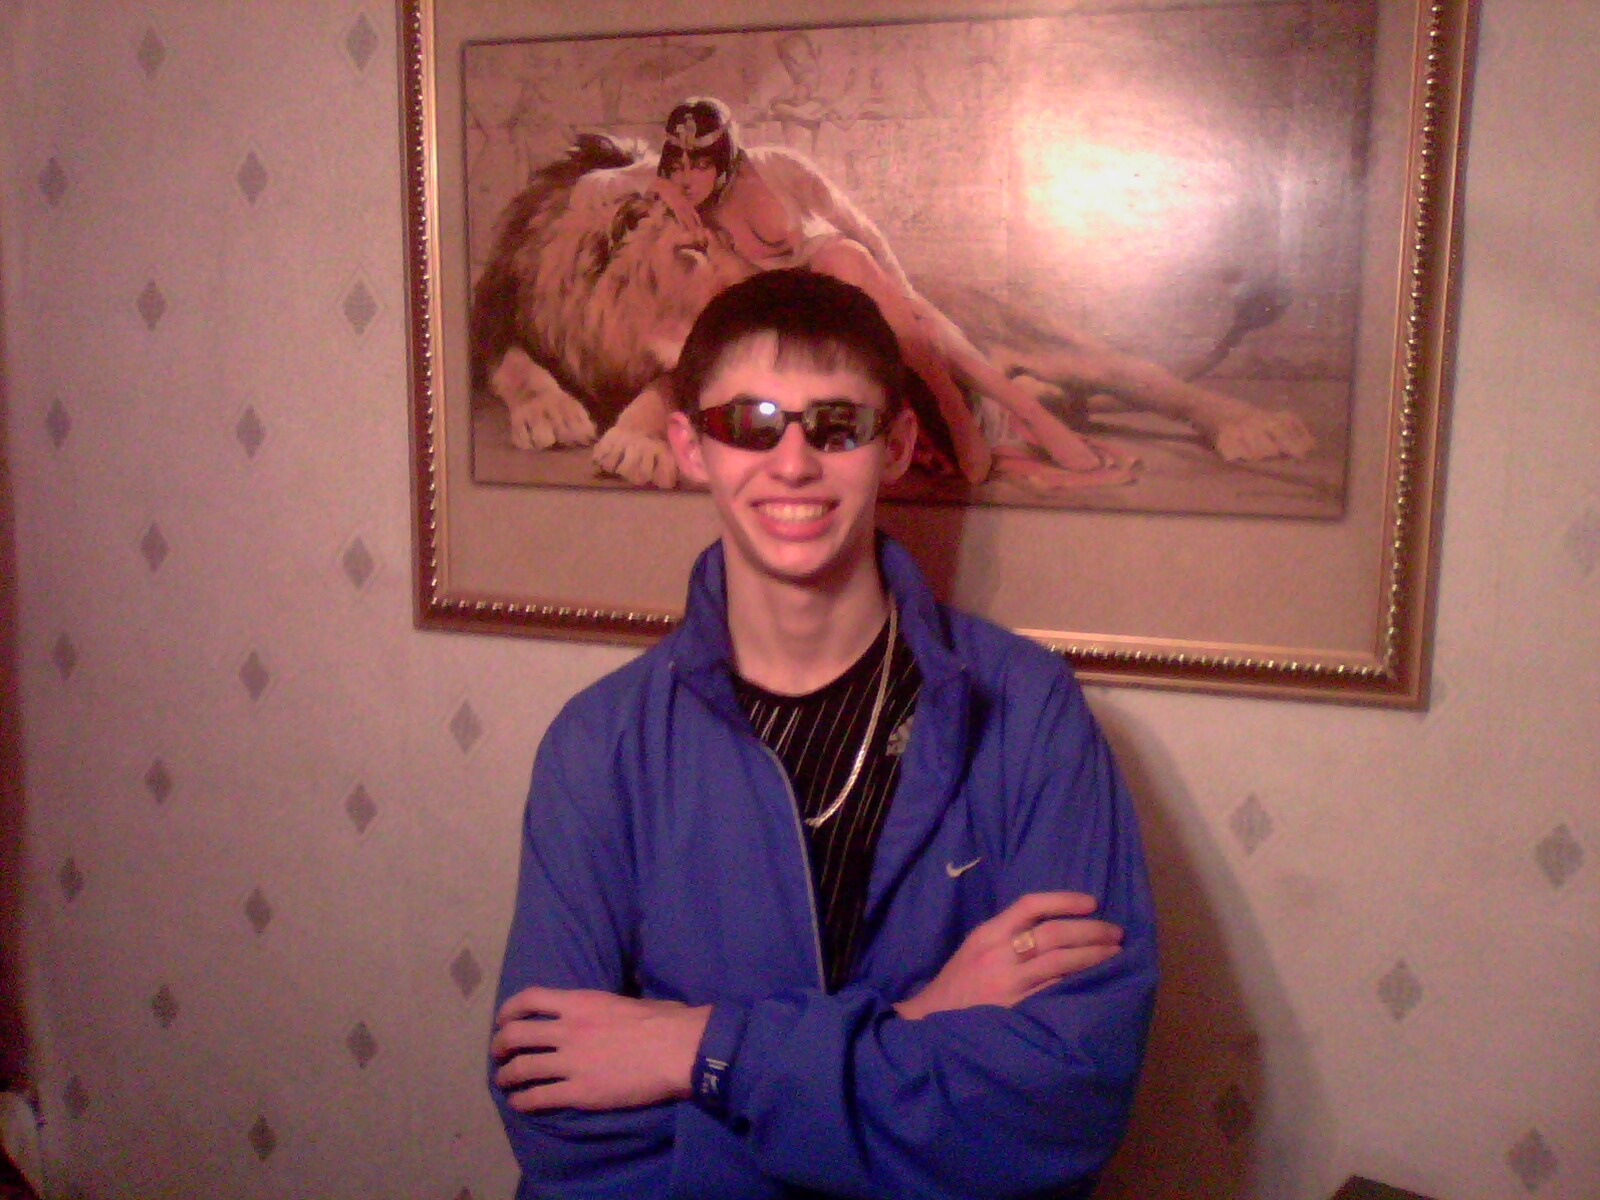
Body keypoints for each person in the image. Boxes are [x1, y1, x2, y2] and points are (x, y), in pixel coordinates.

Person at [488, 269, 1158, 1199]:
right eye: (750, 423)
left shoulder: (1028, 711)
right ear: (690, 447)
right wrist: (915, 1024)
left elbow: (1062, 1101)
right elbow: (558, 1128)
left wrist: (701, 1050)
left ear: (896, 447)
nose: (793, 463)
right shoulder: (598, 744)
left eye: (836, 425)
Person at [651, 96, 1136, 488]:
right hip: (801, 305)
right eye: (679, 163)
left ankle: (991, 416)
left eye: (701, 163)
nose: (688, 176)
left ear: (726, 157)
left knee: (882, 290)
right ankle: (986, 420)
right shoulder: (689, 201)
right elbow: (627, 176)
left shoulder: (779, 167)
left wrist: (904, 293)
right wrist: (667, 190)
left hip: (846, 267)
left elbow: (858, 226)